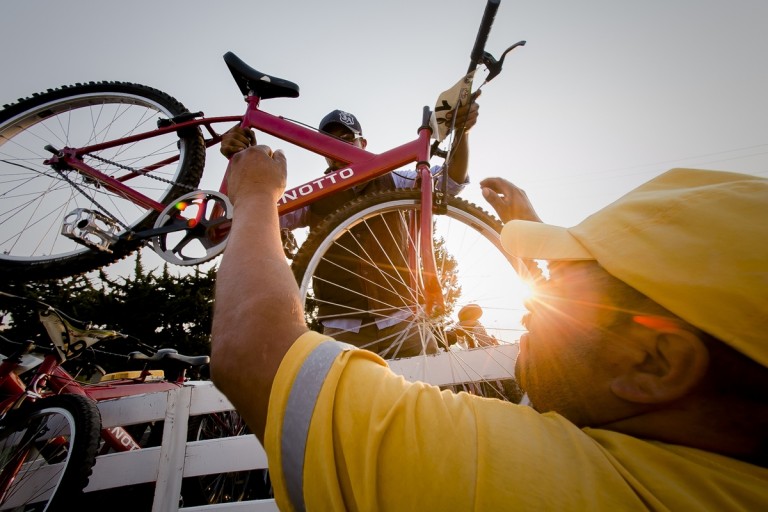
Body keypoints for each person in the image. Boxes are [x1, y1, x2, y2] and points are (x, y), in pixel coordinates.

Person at [211, 154, 768, 510]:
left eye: (574, 280)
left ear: (655, 363)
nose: (538, 301)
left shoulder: (553, 488)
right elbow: (592, 344)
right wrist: (538, 231)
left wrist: (256, 192)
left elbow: (256, 355)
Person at [219, 100, 479, 358]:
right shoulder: (313, 196)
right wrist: (240, 162)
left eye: (347, 138)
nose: (338, 147)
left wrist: (462, 132)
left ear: (362, 144)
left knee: (427, 391)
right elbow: (254, 215)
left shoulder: (394, 179)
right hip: (342, 331)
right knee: (348, 400)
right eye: (328, 142)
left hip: (403, 319)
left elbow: (450, 181)